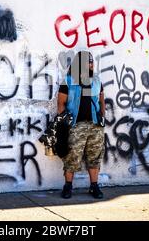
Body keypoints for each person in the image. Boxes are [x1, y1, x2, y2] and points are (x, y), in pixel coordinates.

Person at [57, 50, 105, 199]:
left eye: (91, 62)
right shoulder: (69, 81)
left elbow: (102, 100)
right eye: (87, 62)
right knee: (72, 157)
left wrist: (102, 117)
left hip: (95, 126)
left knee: (95, 157)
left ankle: (94, 186)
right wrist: (65, 124)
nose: (90, 64)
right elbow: (60, 104)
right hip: (76, 126)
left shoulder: (96, 80)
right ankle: (68, 186)